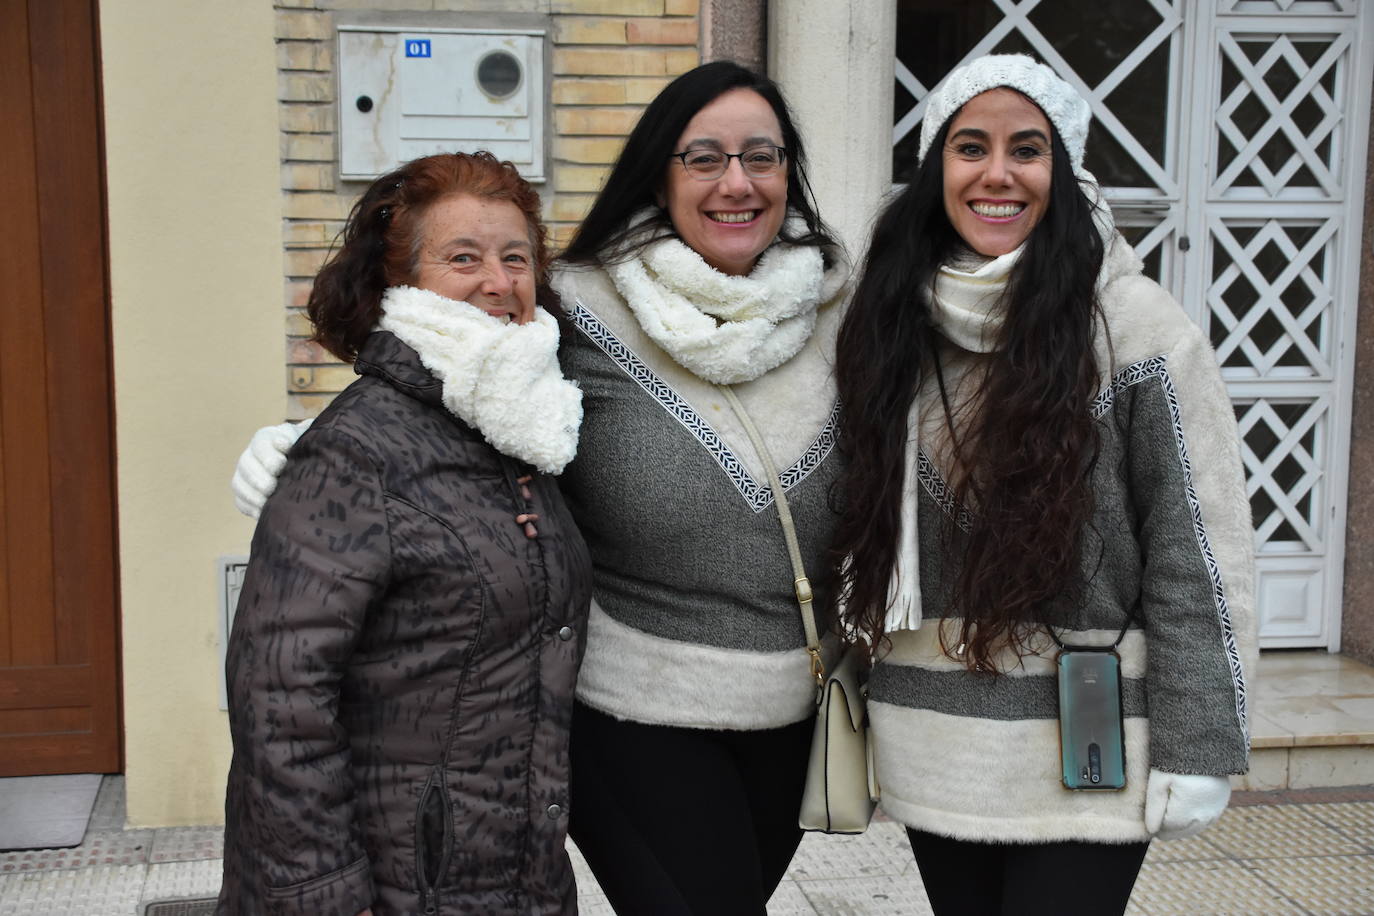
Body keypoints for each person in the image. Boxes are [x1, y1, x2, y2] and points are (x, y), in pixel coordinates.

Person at [231, 62, 849, 915]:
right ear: (658, 177)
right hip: (635, 711)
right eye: (702, 157)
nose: (735, 182)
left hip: (793, 707)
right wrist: (307, 444)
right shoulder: (581, 309)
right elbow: (468, 384)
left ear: (790, 172)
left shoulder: (842, 309)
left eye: (761, 156)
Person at [829, 54, 1257, 916]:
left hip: (1087, 745)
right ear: (934, 169)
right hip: (933, 737)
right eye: (969, 147)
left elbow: (1197, 551)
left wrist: (1200, 742)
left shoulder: (1138, 329)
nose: (997, 174)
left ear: (1063, 170)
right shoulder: (887, 320)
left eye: (1027, 149)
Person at [217, 152, 591, 916]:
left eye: (515, 257)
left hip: (512, 869)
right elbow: (279, 695)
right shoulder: (356, 452)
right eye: (463, 257)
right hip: (391, 884)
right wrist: (324, 893)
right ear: (402, 282)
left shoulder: (529, 429)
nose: (498, 281)